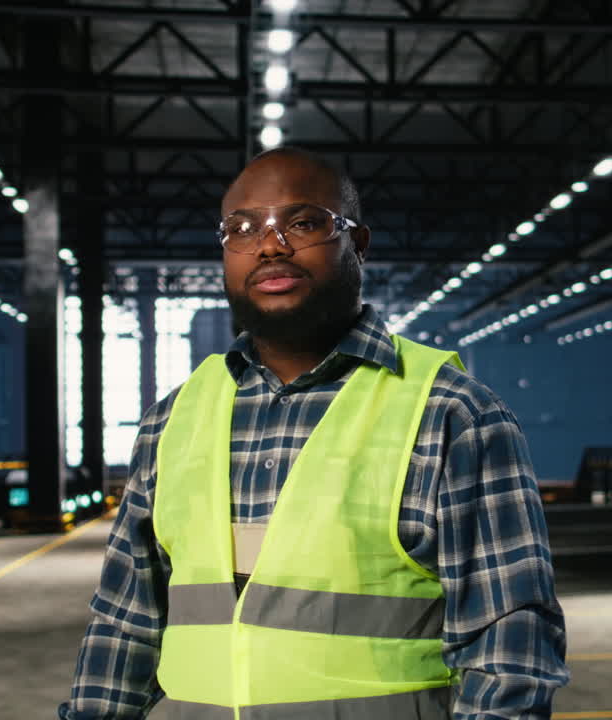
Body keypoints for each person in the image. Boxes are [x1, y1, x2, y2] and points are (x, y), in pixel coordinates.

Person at [60, 147, 568, 719]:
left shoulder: (451, 413)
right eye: (242, 229)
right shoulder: (171, 420)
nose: (270, 245)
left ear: (359, 243)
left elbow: (511, 648)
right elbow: (123, 625)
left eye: (303, 223)